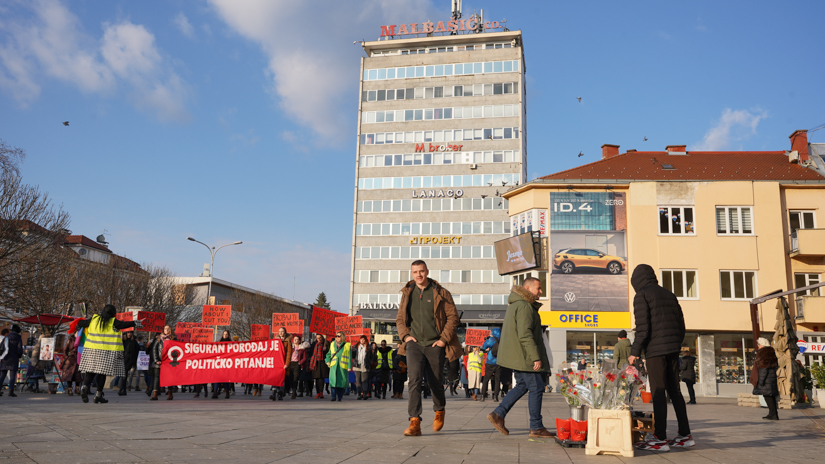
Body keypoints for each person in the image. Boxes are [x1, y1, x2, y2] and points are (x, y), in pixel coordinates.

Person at [627, 264, 693, 451]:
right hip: (673, 349)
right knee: (675, 392)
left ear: (636, 281)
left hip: (656, 350)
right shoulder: (669, 294)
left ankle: (660, 438)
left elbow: (643, 327)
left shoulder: (642, 295)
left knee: (658, 392)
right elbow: (681, 324)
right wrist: (676, 345)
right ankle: (685, 435)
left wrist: (635, 352)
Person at [396, 260, 462, 437]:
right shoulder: (407, 293)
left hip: (435, 344)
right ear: (412, 273)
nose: (419, 275)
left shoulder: (440, 292)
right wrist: (405, 337)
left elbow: (452, 317)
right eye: (415, 272)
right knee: (414, 380)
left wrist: (443, 340)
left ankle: (439, 409)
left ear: (427, 271)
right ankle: (414, 421)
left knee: (435, 382)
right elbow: (400, 319)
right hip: (414, 344)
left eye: (421, 271)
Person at [487, 277, 552, 439]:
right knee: (536, 387)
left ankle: (498, 414)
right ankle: (536, 426)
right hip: (525, 357)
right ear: (528, 288)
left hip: (519, 356)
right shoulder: (524, 306)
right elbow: (525, 335)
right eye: (539, 288)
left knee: (522, 385)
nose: (541, 291)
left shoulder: (517, 304)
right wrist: (535, 357)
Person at [74, 305, 139, 404]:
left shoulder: (94, 319)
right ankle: (98, 395)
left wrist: (78, 326)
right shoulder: (113, 322)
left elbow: (81, 323)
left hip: (91, 350)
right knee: (101, 374)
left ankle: (84, 387)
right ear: (113, 313)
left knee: (90, 372)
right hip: (106, 351)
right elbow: (124, 324)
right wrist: (136, 323)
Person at [752, 337, 779, 420]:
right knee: (771, 396)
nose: (758, 346)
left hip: (766, 379)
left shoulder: (763, 353)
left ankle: (773, 414)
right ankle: (773, 414)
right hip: (771, 377)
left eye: (759, 344)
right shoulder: (771, 352)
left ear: (762, 345)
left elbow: (764, 368)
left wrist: (761, 381)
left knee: (768, 396)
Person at [325, 331, 350, 401]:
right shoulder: (332, 344)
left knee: (341, 382)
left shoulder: (347, 345)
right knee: (333, 381)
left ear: (342, 337)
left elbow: (350, 357)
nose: (337, 337)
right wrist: (327, 361)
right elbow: (328, 354)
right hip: (334, 365)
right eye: (336, 336)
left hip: (342, 366)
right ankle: (333, 396)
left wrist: (349, 366)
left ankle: (339, 397)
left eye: (339, 336)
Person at [150, 326, 174, 401]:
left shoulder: (173, 339)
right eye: (165, 328)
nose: (166, 330)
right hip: (159, 362)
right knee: (157, 378)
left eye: (168, 328)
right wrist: (156, 360)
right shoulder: (159, 339)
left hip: (169, 362)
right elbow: (154, 349)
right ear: (163, 330)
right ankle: (155, 394)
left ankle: (170, 393)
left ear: (170, 330)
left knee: (170, 378)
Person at [0, 325, 23, 397]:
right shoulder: (18, 338)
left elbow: (1, 347)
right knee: (12, 375)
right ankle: (10, 391)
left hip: (5, 358)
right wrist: (19, 356)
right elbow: (19, 349)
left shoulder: (6, 337)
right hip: (13, 358)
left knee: (2, 375)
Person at [271, 327, 293, 401]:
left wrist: (287, 364)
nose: (280, 333)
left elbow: (289, 354)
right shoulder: (275, 341)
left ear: (285, 332)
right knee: (274, 378)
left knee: (281, 379)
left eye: (282, 331)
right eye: (279, 331)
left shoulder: (288, 342)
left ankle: (280, 393)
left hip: (283, 363)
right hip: (275, 363)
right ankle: (273, 393)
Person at [480, 328, 502, 402]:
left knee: (486, 379)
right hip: (499, 362)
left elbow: (484, 346)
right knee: (497, 380)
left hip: (490, 361)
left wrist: (487, 340)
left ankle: (483, 395)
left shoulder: (492, 340)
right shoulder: (502, 340)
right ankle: (496, 396)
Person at [60, 332, 83, 396]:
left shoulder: (81, 340)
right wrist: (67, 357)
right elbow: (65, 350)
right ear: (75, 333)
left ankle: (77, 389)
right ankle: (69, 389)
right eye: (77, 333)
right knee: (69, 375)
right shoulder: (70, 340)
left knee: (78, 376)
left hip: (78, 360)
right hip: (70, 360)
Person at [117, 331, 139, 396]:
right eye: (128, 333)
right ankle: (123, 389)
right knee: (123, 375)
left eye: (130, 333)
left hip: (129, 361)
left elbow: (136, 352)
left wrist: (133, 362)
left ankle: (122, 389)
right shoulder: (123, 341)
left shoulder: (134, 342)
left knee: (124, 375)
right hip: (123, 360)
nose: (129, 334)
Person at [212, 331, 233, 399]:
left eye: (226, 334)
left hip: (227, 364)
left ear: (228, 335)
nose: (225, 335)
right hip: (219, 363)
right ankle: (215, 392)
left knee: (226, 379)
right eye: (224, 334)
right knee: (217, 378)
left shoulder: (231, 343)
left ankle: (227, 392)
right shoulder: (219, 342)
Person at [351, 335, 373, 400]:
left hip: (365, 365)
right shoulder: (356, 346)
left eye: (363, 339)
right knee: (358, 380)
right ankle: (359, 394)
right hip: (357, 365)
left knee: (364, 380)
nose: (362, 341)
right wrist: (352, 350)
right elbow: (353, 356)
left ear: (365, 340)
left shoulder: (368, 348)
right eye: (361, 339)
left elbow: (371, 357)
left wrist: (369, 363)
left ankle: (365, 393)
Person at [289, 335, 309, 399]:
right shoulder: (290, 347)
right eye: (294, 339)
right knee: (290, 378)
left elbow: (305, 358)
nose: (295, 340)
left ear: (299, 341)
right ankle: (292, 390)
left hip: (297, 364)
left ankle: (294, 392)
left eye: (297, 339)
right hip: (290, 364)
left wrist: (299, 363)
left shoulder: (302, 348)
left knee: (295, 378)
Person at [309, 334, 329, 399]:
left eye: (320, 338)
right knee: (317, 378)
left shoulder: (326, 343)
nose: (319, 339)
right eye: (317, 338)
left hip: (323, 363)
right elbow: (311, 353)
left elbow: (329, 353)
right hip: (315, 362)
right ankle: (318, 392)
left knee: (321, 378)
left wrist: (325, 350)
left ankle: (321, 392)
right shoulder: (314, 344)